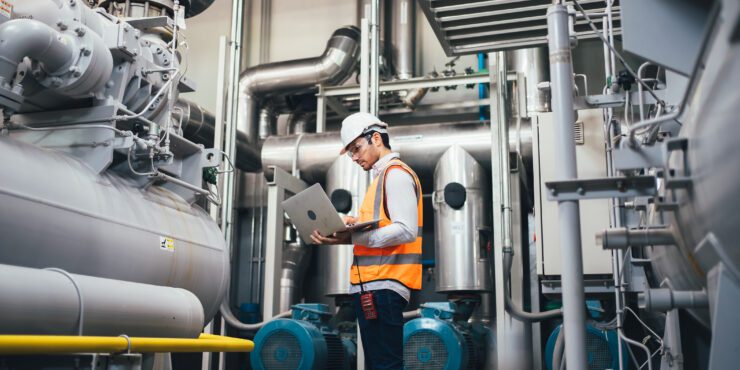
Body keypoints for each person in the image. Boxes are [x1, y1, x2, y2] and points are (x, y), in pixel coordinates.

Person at [310, 112, 423, 370]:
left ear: (376, 138)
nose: (355, 157)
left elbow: (406, 230)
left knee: (386, 366)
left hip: (385, 286)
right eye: (350, 152)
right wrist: (341, 234)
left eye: (357, 148)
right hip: (373, 287)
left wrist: (354, 234)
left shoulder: (395, 174)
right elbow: (375, 232)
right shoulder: (381, 178)